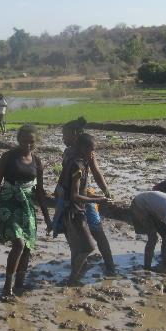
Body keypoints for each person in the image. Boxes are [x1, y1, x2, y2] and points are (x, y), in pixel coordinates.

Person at [0, 124, 52, 297]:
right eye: (25, 141)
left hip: (27, 205)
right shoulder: (8, 157)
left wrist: (48, 218)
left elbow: (40, 191)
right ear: (18, 140)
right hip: (9, 203)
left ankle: (19, 284)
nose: (28, 145)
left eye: (31, 142)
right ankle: (7, 285)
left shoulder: (37, 161)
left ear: (36, 142)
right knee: (19, 243)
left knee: (27, 246)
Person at [52, 117, 115, 275]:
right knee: (73, 236)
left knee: (97, 231)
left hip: (84, 197)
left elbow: (96, 172)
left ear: (74, 134)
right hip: (73, 197)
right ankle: (80, 269)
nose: (63, 138)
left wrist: (106, 191)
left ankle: (110, 267)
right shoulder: (69, 152)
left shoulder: (88, 153)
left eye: (65, 135)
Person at [60, 133, 110, 285]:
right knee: (89, 246)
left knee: (77, 247)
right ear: (82, 148)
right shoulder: (78, 166)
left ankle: (75, 277)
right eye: (91, 150)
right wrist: (98, 199)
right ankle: (73, 278)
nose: (93, 153)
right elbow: (75, 195)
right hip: (74, 210)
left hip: (72, 209)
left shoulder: (78, 162)